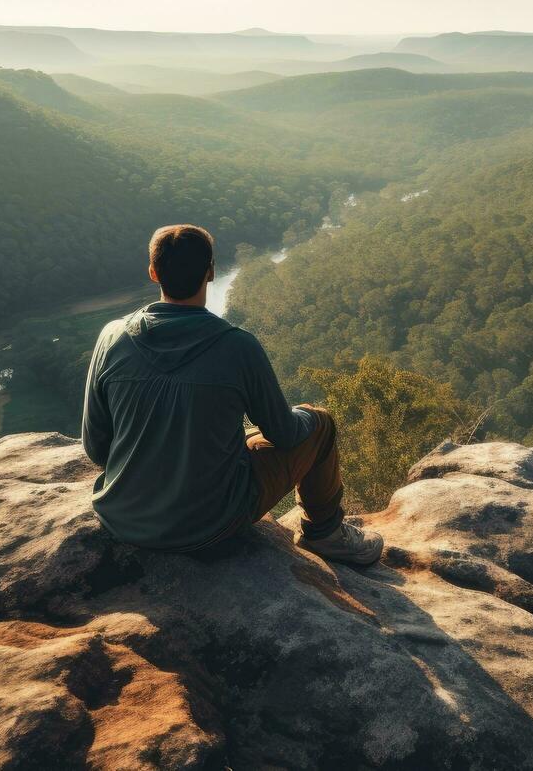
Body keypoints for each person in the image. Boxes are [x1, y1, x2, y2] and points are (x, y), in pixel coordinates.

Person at [80, 223, 383, 565]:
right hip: (209, 524)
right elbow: (284, 434)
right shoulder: (237, 346)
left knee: (240, 439)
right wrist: (305, 414)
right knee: (321, 424)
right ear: (210, 272)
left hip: (122, 517)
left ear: (153, 272)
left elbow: (95, 447)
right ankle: (325, 535)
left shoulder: (112, 336)